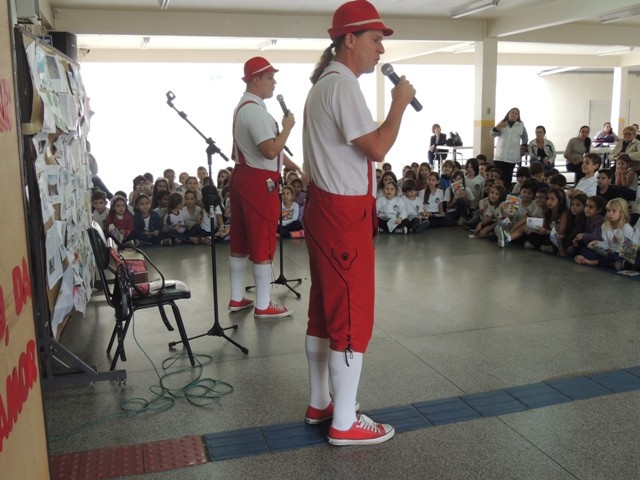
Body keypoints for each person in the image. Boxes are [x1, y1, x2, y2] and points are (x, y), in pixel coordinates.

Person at [301, 0, 415, 446]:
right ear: (349, 40)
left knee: (324, 311)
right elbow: (378, 148)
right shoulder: (343, 86)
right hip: (342, 215)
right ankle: (345, 422)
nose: (381, 50)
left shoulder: (323, 84)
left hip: (324, 210)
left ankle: (321, 401)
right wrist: (399, 104)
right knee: (350, 315)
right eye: (375, 40)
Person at [229, 55, 304, 319]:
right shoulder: (256, 112)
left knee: (240, 240)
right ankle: (263, 304)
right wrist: (287, 128)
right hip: (259, 183)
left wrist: (295, 167)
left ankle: (236, 297)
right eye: (270, 77)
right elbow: (270, 150)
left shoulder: (244, 107)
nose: (274, 83)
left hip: (243, 177)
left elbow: (272, 153)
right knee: (262, 240)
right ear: (255, 80)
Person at [575, 198, 633, 270]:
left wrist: (615, 251)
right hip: (607, 253)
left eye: (614, 211)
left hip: (620, 254)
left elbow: (629, 252)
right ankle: (611, 264)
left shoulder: (626, 228)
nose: (610, 213)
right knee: (584, 250)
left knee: (615, 256)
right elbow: (606, 243)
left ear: (622, 213)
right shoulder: (605, 226)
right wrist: (597, 243)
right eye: (608, 210)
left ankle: (593, 262)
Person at [490, 107, 528, 185]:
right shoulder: (502, 123)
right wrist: (497, 127)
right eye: (512, 112)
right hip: (500, 156)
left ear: (518, 116)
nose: (513, 114)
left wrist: (523, 148)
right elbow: (492, 134)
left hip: (512, 157)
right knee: (496, 177)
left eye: (516, 113)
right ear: (508, 114)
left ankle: (506, 191)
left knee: (507, 177)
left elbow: (525, 137)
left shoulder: (520, 125)